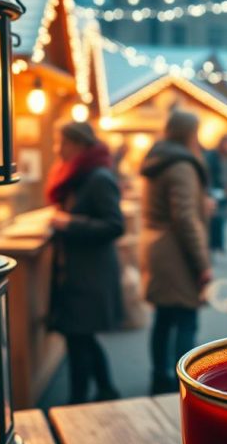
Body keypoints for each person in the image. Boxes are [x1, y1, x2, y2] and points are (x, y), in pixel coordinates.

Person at [46, 121, 124, 404]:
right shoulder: (79, 175)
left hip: (91, 274)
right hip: (80, 271)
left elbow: (115, 225)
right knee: (81, 337)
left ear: (77, 144)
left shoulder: (98, 177)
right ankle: (106, 389)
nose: (58, 148)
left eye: (61, 142)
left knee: (78, 338)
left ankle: (77, 401)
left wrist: (70, 222)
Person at [140, 110, 212, 395]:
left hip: (158, 248)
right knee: (185, 319)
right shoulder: (181, 165)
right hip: (176, 254)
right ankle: (184, 384)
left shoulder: (159, 159)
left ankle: (160, 377)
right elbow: (184, 218)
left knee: (164, 318)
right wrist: (203, 264)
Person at [206, 134, 227, 251]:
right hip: (215, 190)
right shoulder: (212, 157)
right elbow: (209, 175)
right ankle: (216, 243)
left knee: (224, 218)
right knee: (216, 217)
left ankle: (219, 243)